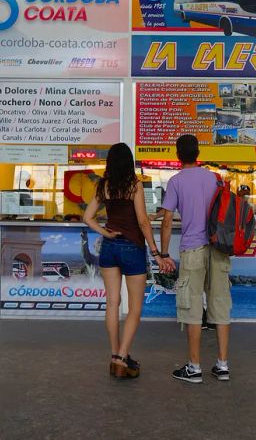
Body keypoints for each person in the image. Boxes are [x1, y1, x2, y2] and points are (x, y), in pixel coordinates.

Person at [84, 142, 166, 379]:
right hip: (132, 248)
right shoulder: (134, 185)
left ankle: (114, 355)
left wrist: (105, 232)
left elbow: (87, 217)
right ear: (129, 162)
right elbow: (142, 221)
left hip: (109, 248)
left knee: (112, 303)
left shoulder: (104, 186)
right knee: (134, 308)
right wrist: (155, 251)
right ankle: (122, 357)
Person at [158, 134, 232, 384]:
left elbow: (167, 220)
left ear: (178, 155)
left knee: (190, 307)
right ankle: (222, 366)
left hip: (192, 250)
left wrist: (163, 252)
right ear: (198, 153)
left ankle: (194, 367)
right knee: (220, 303)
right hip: (218, 249)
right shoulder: (213, 178)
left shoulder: (176, 181)